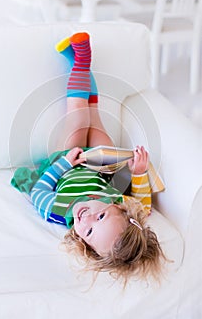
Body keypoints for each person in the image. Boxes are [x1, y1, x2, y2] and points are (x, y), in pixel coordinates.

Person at [24, 32, 166, 285]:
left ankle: (81, 59)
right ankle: (78, 61)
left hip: (71, 159)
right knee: (93, 112)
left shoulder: (58, 211)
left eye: (89, 231)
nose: (86, 218)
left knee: (79, 115)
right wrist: (138, 173)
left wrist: (64, 163)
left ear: (83, 241)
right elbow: (144, 207)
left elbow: (39, 189)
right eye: (100, 217)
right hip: (103, 164)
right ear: (118, 209)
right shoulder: (115, 200)